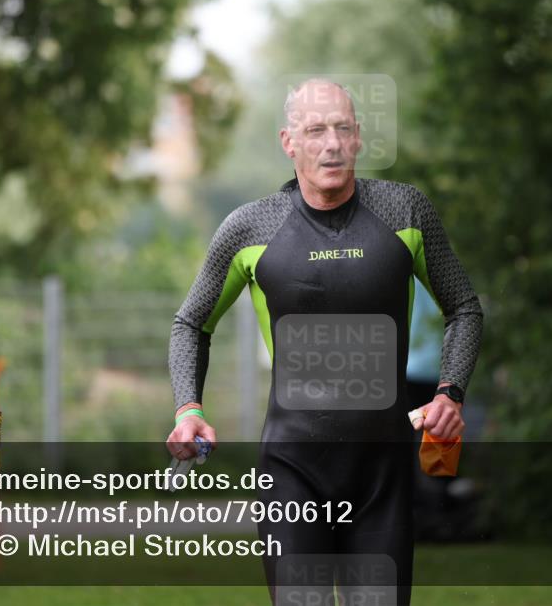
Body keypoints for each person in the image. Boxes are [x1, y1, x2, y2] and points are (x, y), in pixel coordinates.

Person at [166, 79, 484, 604]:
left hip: (382, 474)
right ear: (289, 142)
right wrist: (187, 408)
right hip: (292, 470)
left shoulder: (405, 212)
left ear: (358, 137)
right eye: (316, 131)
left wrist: (450, 393)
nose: (331, 143)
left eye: (342, 129)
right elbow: (190, 324)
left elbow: (464, 307)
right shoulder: (249, 228)